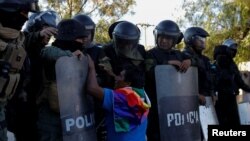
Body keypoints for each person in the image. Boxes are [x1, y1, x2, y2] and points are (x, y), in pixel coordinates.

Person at [6, 10, 59, 141]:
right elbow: (26, 40)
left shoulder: (43, 52)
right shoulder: (19, 41)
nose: (48, 35)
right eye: (45, 28)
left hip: (33, 109)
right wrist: (38, 35)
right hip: (14, 109)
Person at [36, 19, 89, 141]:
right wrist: (70, 56)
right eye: (79, 39)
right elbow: (49, 53)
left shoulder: (81, 55)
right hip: (50, 114)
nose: (82, 43)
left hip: (73, 112)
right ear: (68, 38)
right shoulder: (50, 51)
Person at [145, 20, 191, 141]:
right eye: (162, 37)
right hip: (156, 105)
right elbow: (149, 71)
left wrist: (190, 61)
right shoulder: (150, 54)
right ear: (157, 36)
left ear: (174, 40)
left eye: (168, 38)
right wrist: (168, 64)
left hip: (176, 104)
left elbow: (199, 64)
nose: (164, 41)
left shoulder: (179, 54)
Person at [0, 0, 40, 141]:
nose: (26, 18)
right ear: (10, 10)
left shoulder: (18, 39)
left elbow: (29, 39)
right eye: (23, 13)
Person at [86, 56, 151, 141]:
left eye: (120, 76)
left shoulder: (122, 97)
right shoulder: (140, 94)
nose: (116, 78)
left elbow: (91, 88)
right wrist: (110, 73)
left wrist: (91, 67)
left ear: (128, 83)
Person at [213, 39, 250, 126]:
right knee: (229, 122)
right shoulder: (222, 62)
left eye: (235, 50)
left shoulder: (231, 63)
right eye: (232, 50)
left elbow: (238, 81)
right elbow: (237, 81)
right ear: (226, 49)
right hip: (222, 98)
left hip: (230, 96)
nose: (234, 52)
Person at [102, 21, 146, 89]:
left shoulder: (140, 50)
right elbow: (105, 72)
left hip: (135, 89)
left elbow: (142, 73)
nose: (127, 46)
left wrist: (128, 74)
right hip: (112, 90)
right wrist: (115, 77)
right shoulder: (107, 50)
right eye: (123, 42)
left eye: (130, 42)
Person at [183, 27, 213, 105]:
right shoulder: (184, 56)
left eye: (203, 39)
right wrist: (196, 94)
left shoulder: (205, 59)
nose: (202, 42)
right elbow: (183, 82)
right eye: (199, 39)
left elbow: (209, 77)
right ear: (190, 39)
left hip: (207, 99)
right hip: (191, 101)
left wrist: (213, 93)